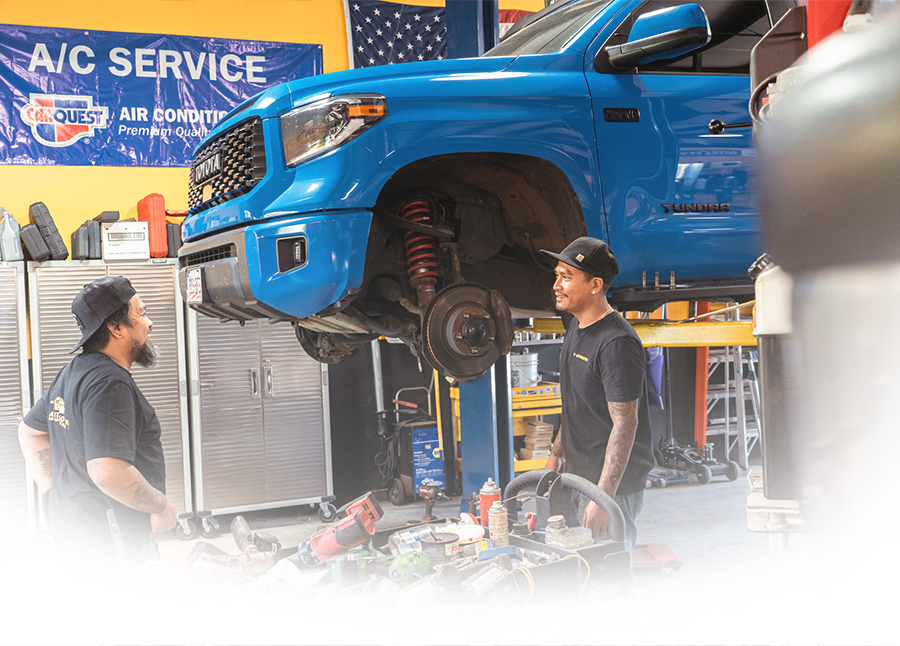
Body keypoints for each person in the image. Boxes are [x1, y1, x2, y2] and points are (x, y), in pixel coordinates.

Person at [18, 275, 176, 566]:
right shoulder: (111, 384)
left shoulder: (74, 371)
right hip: (112, 545)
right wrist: (161, 506)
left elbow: (30, 432)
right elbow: (107, 471)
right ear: (115, 328)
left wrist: (54, 490)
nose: (149, 323)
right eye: (141, 313)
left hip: (76, 531)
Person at [540, 237, 653, 551]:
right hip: (579, 475)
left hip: (610, 487)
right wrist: (556, 455)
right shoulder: (577, 327)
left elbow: (625, 423)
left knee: (610, 574)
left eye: (566, 277)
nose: (556, 285)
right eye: (557, 275)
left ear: (595, 285)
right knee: (582, 571)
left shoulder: (616, 342)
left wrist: (604, 499)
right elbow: (576, 405)